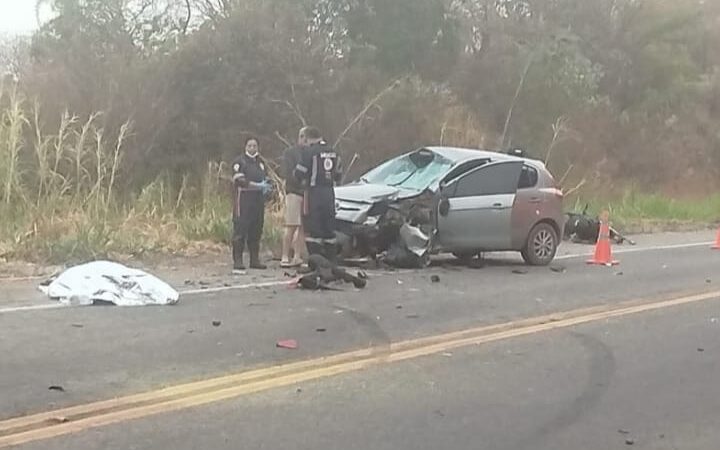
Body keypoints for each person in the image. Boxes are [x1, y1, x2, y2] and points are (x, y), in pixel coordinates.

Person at [293, 126, 342, 262]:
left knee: (313, 228)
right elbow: (338, 175)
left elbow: (298, 173)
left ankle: (316, 262)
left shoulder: (309, 152)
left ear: (308, 138)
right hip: (329, 192)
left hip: (313, 192)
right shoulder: (334, 151)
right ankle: (331, 262)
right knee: (329, 228)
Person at [231, 137, 271, 272]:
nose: (252, 148)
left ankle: (254, 260)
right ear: (245, 147)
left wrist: (267, 186)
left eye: (255, 146)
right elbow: (240, 180)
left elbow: (266, 177)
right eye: (250, 145)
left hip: (258, 200)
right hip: (243, 200)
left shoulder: (261, 162)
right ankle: (238, 261)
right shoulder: (239, 161)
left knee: (256, 230)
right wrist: (256, 186)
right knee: (241, 230)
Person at [280, 131, 306, 268]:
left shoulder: (310, 153)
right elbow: (288, 173)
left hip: (307, 193)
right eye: (302, 137)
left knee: (302, 226)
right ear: (299, 137)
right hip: (294, 191)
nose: (304, 140)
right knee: (291, 225)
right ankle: (284, 255)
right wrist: (299, 182)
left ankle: (297, 256)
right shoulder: (290, 153)